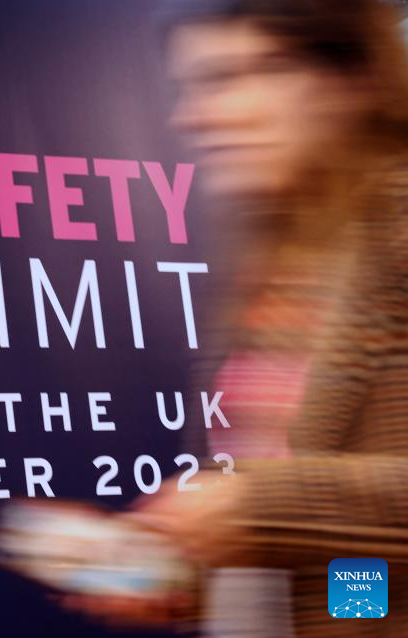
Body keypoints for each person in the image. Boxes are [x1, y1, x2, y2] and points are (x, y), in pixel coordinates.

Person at [70, 1, 408, 636]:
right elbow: (267, 487)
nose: (193, 116)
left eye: (233, 76)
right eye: (191, 86)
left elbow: (275, 508)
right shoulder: (266, 247)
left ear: (349, 79)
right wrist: (177, 574)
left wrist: (254, 505)